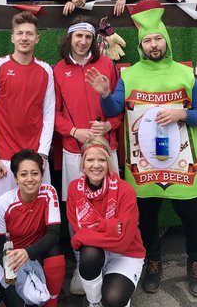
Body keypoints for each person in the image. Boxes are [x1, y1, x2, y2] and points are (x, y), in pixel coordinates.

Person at [86, 0, 197, 298]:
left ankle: (195, 261)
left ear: (166, 41)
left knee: (192, 216)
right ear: (141, 46)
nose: (153, 45)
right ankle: (153, 260)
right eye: (147, 41)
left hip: (181, 164)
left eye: (158, 39)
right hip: (142, 165)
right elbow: (114, 109)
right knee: (146, 217)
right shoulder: (129, 75)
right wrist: (105, 94)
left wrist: (182, 113)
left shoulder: (185, 74)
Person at [53, 16, 123, 294]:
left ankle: (111, 262)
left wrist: (109, 125)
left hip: (106, 147)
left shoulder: (107, 65)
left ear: (94, 40)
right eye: (78, 36)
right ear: (69, 38)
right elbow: (53, 113)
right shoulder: (58, 70)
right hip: (74, 150)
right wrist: (73, 131)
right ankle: (83, 264)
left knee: (111, 203)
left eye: (87, 37)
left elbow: (119, 107)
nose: (82, 41)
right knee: (77, 208)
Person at [0, 11, 55, 203]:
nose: (24, 38)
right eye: (20, 33)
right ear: (12, 37)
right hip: (4, 158)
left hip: (36, 159)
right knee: (5, 214)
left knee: (39, 213)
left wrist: (43, 153)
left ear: (37, 38)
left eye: (29, 33)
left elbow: (49, 115)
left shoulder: (46, 70)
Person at [67, 137, 145, 307]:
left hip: (126, 254)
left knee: (113, 300)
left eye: (102, 160)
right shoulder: (74, 189)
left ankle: (114, 288)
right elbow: (78, 231)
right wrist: (108, 227)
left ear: (108, 163)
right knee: (89, 255)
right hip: (96, 252)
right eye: (90, 160)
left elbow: (123, 241)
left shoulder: (125, 190)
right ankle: (94, 302)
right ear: (82, 164)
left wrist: (86, 234)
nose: (96, 165)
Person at [0, 149, 65, 307]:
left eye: (35, 173)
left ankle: (51, 303)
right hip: (10, 258)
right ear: (16, 178)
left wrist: (27, 252)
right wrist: (12, 266)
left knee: (55, 251)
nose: (30, 179)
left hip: (35, 252)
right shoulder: (3, 203)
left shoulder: (49, 192)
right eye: (23, 174)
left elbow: (54, 235)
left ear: (42, 175)